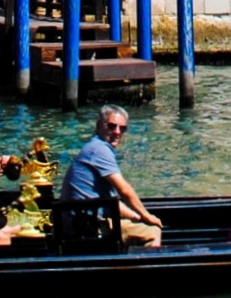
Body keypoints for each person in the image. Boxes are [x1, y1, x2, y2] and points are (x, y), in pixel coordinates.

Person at [61, 105, 161, 248]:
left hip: (77, 222)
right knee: (153, 232)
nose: (117, 132)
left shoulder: (93, 147)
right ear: (98, 126)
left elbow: (111, 201)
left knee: (138, 227)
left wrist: (136, 217)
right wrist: (147, 216)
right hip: (88, 227)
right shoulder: (100, 149)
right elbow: (124, 190)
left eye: (122, 128)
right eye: (112, 126)